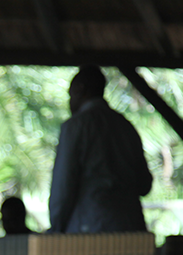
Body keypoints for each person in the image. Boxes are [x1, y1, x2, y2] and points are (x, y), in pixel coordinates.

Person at [48, 66, 152, 233]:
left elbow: (63, 185)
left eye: (70, 95)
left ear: (80, 90)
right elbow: (145, 185)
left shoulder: (76, 127)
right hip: (131, 227)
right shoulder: (125, 126)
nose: (70, 103)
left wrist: (56, 228)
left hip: (91, 228)